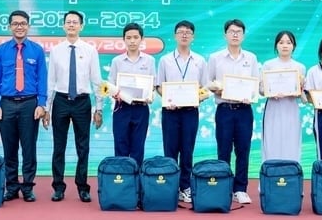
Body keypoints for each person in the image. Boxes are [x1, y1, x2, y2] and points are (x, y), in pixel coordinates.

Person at [44, 10, 103, 203]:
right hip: (61, 100)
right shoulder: (56, 50)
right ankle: (58, 187)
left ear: (81, 26)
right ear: (63, 26)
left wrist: (99, 108)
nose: (71, 25)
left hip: (82, 102)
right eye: (68, 22)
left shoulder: (90, 50)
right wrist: (47, 108)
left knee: (83, 147)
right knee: (58, 146)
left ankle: (82, 187)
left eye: (75, 22)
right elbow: (50, 81)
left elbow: (97, 81)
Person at [0, 10, 47, 202]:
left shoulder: (37, 50)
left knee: (29, 148)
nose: (19, 27)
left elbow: (42, 79)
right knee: (10, 147)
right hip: (6, 104)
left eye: (23, 23)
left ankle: (28, 187)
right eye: (15, 23)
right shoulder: (1, 50)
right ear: (9, 27)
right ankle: (12, 187)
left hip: (30, 104)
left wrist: (42, 103)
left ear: (28, 26)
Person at [207, 19, 259, 205]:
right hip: (225, 109)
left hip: (244, 110)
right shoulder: (215, 58)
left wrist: (250, 94)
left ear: (243, 35)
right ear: (225, 35)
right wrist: (217, 88)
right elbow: (208, 83)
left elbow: (256, 84)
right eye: (231, 31)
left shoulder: (251, 58)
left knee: (243, 150)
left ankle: (240, 189)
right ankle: (223, 187)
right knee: (224, 149)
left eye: (238, 31)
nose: (235, 34)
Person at [155, 20, 208, 203]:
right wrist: (167, 99)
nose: (184, 35)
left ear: (193, 36)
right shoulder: (165, 60)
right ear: (175, 36)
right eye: (180, 32)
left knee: (187, 150)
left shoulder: (200, 61)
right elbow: (159, 86)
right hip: (170, 111)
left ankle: (185, 187)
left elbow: (205, 88)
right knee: (170, 150)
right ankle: (170, 186)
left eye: (188, 32)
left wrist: (197, 98)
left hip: (190, 111)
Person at [107, 22, 156, 166]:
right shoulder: (117, 61)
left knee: (138, 147)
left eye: (135, 37)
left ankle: (136, 184)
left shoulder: (150, 60)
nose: (132, 41)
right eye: (128, 38)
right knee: (120, 145)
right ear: (124, 40)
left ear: (141, 39)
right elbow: (111, 85)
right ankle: (122, 181)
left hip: (141, 108)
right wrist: (114, 93)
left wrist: (149, 95)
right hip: (121, 108)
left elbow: (152, 84)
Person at [260, 30, 306, 163]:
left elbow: (302, 94)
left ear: (293, 46)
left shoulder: (300, 67)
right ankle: (269, 180)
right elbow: (261, 89)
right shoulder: (268, 65)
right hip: (273, 108)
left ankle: (291, 178)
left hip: (291, 108)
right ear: (276, 46)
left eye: (288, 42)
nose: (285, 45)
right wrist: (270, 93)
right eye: (281, 42)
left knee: (291, 141)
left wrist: (301, 88)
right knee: (271, 141)